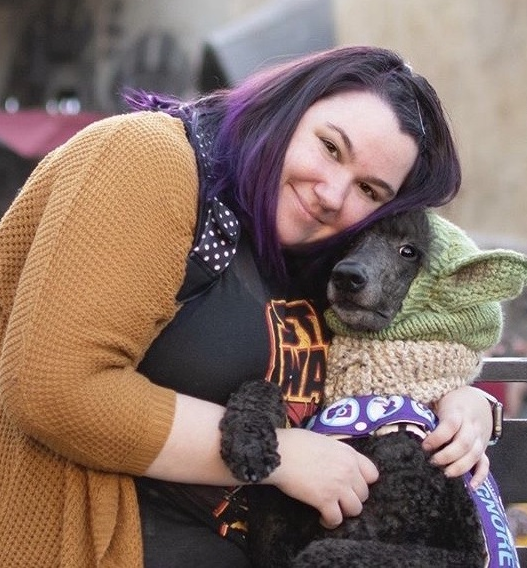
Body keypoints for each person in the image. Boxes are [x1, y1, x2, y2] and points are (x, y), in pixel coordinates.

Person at [0, 45, 495, 568]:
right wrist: (276, 456)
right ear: (287, 108)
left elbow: (354, 372)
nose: (332, 194)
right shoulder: (149, 159)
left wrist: (458, 404)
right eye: (330, 147)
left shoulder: (313, 251)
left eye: (369, 190)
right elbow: (54, 387)